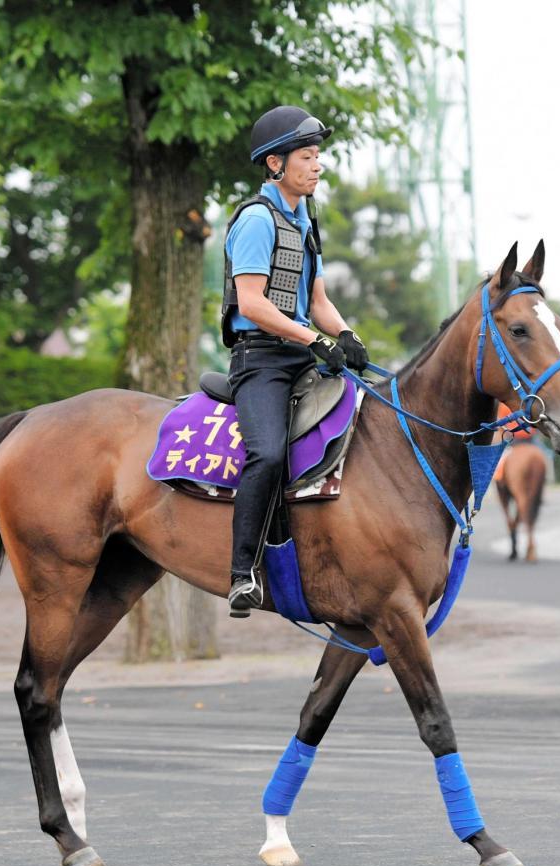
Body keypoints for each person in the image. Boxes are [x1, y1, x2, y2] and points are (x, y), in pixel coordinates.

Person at [222, 105, 368, 617]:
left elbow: (319, 302)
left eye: (318, 156)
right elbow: (252, 303)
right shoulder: (257, 221)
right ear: (275, 165)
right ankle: (243, 573)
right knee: (267, 454)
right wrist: (312, 339)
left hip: (301, 353)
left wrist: (346, 336)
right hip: (261, 360)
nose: (317, 165)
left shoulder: (307, 222)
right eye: (307, 156)